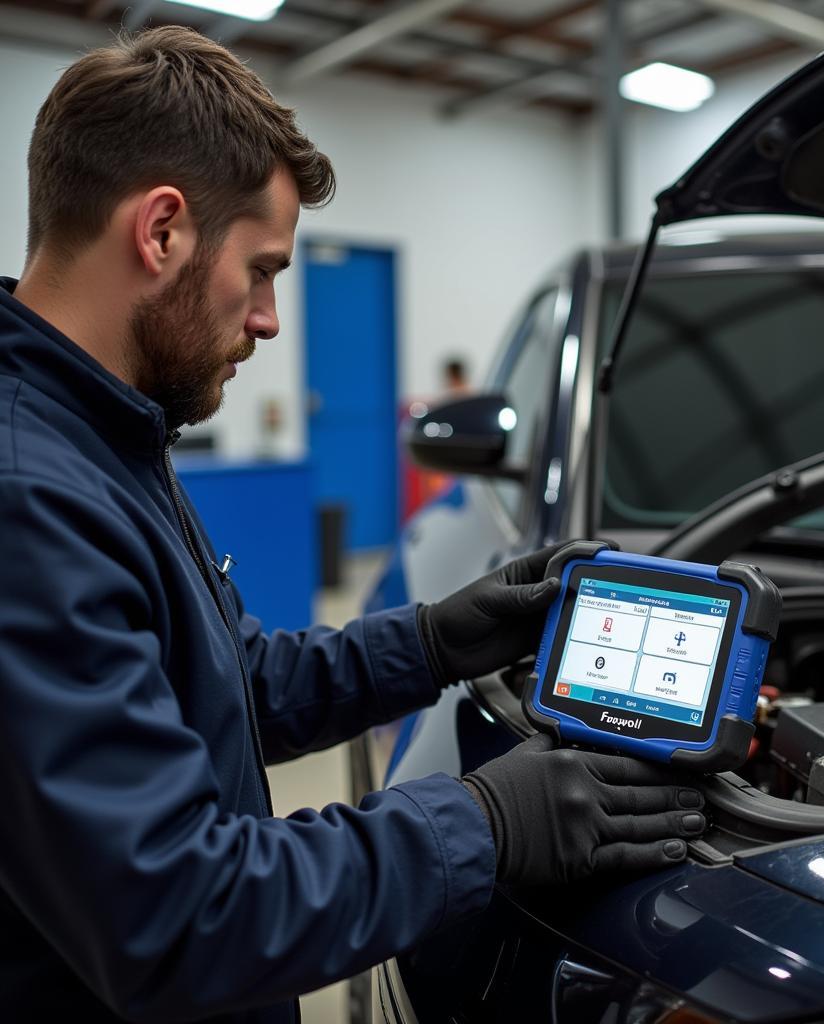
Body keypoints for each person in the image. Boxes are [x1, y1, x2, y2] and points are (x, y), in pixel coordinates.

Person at [0, 27, 706, 1022]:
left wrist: (435, 640)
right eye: (263, 269)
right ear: (161, 232)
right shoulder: (30, 498)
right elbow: (175, 914)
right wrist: (483, 820)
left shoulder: (106, 437)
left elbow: (229, 686)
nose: (270, 320)